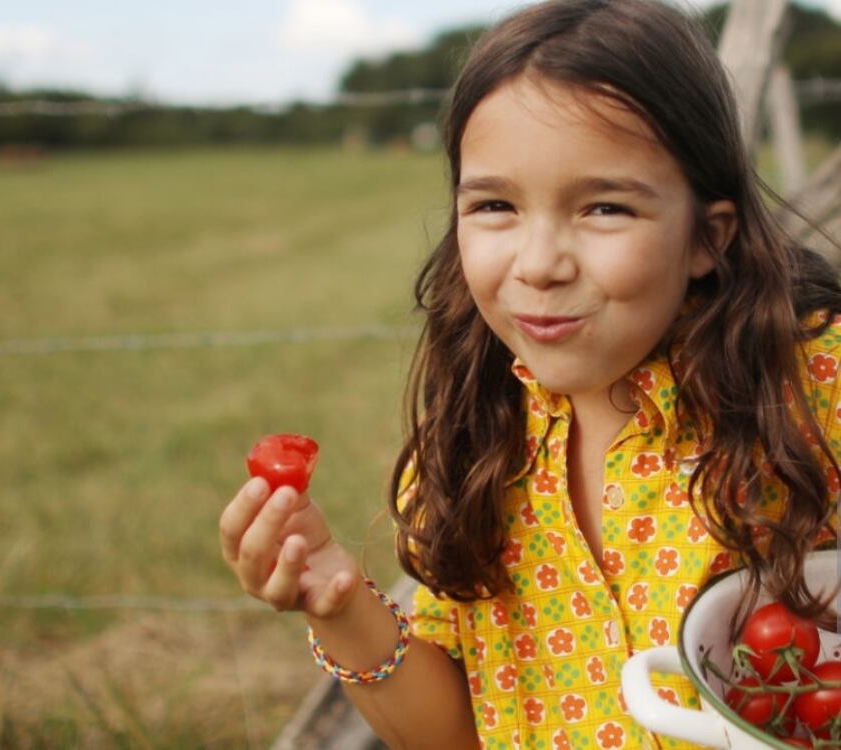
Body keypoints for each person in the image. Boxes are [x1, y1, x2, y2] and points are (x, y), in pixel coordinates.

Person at [218, 1, 841, 748]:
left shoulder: (810, 388)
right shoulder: (476, 446)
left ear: (708, 236)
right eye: (495, 206)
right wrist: (336, 599)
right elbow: (456, 735)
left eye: (605, 208)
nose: (539, 264)